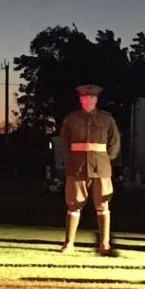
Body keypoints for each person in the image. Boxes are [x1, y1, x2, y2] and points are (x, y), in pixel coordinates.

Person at [59, 84, 121, 255]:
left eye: (92, 97)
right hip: (76, 167)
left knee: (102, 203)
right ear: (81, 99)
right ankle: (69, 244)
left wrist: (107, 159)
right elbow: (63, 142)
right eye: (85, 97)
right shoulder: (71, 119)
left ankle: (104, 244)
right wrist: (70, 159)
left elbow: (114, 142)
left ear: (96, 99)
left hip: (101, 167)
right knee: (73, 204)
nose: (88, 100)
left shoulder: (106, 119)